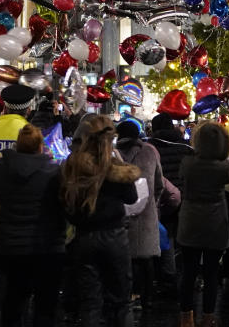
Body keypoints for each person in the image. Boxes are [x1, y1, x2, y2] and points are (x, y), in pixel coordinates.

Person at [0, 122, 65, 327]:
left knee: (14, 300)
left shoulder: (3, 167)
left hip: (12, 245)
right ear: (40, 146)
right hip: (48, 245)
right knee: (46, 304)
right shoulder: (54, 170)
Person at [61, 115, 140, 327]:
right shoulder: (114, 166)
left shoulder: (73, 165)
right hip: (115, 237)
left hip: (84, 237)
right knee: (121, 301)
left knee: (90, 302)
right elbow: (131, 197)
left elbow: (64, 202)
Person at [178, 121, 229, 327]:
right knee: (212, 273)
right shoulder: (223, 168)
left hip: (190, 220)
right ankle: (208, 317)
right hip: (215, 222)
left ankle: (186, 317)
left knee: (188, 272)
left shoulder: (187, 163)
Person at [116, 119, 164, 307]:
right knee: (146, 260)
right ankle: (147, 298)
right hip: (146, 216)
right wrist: (152, 202)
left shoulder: (113, 153)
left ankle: (127, 297)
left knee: (124, 261)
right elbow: (160, 184)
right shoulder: (150, 152)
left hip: (119, 215)